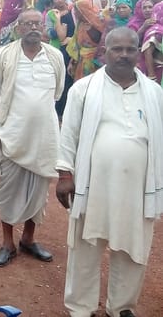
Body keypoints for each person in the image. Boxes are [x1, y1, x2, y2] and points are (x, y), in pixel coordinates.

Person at [57, 27, 163, 317]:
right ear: (104, 52)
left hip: (137, 187)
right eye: (117, 49)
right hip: (93, 184)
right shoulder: (83, 88)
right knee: (85, 247)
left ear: (139, 52)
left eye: (130, 49)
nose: (124, 55)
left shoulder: (154, 93)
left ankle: (122, 307)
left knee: (133, 248)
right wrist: (65, 175)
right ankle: (81, 307)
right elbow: (69, 134)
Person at [0, 9, 65, 267]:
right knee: (7, 191)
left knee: (38, 193)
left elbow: (57, 93)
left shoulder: (54, 57)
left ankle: (28, 239)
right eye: (27, 23)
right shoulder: (3, 56)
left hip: (44, 138)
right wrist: (6, 126)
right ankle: (7, 243)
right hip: (12, 137)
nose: (33, 27)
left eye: (37, 23)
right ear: (18, 27)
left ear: (42, 27)